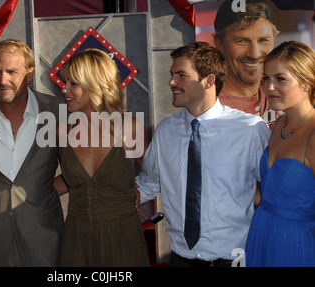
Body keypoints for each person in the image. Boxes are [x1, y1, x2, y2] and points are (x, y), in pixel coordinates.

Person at [135, 42, 270, 267]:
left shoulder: (250, 129)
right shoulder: (166, 130)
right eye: (171, 75)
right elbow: (149, 183)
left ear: (209, 80)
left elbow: (272, 189)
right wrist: (115, 195)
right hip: (181, 259)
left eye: (181, 75)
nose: (171, 82)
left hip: (235, 258)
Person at [0, 39, 64, 267]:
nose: (3, 80)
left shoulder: (57, 111)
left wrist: (39, 193)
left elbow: (76, 168)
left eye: (12, 72)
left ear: (29, 74)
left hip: (43, 232)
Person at [53, 48, 150, 267]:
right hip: (77, 238)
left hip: (123, 237)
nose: (64, 89)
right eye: (64, 82)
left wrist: (136, 189)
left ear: (95, 84)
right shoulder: (61, 132)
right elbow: (70, 180)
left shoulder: (130, 128)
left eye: (72, 83)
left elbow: (154, 176)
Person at [245, 41, 315, 267]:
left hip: (296, 245)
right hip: (262, 233)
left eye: (280, 79)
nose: (269, 87)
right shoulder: (279, 124)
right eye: (266, 78)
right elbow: (269, 192)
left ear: (306, 83)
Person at [213, 0, 280, 126]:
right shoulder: (208, 106)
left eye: (263, 40)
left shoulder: (287, 89)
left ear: (274, 39)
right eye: (242, 41)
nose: (254, 54)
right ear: (219, 43)